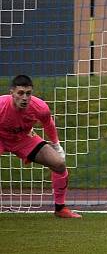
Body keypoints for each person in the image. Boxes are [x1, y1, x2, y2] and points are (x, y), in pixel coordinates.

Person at [0, 75, 81, 218]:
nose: (24, 97)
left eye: (28, 93)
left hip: (23, 139)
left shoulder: (40, 107)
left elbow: (48, 124)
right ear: (11, 92)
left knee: (59, 164)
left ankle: (60, 209)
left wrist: (56, 145)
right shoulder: (1, 104)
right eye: (20, 93)